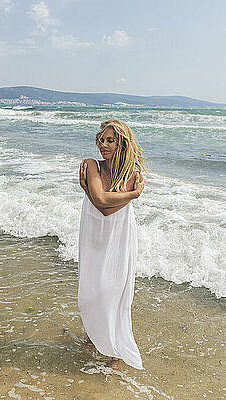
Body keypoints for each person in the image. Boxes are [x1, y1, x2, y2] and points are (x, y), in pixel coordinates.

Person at [77, 119, 147, 370]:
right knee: (89, 292)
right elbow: (101, 202)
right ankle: (94, 336)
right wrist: (132, 195)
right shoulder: (90, 165)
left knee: (113, 291)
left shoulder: (132, 173)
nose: (103, 145)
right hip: (93, 232)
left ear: (122, 144)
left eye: (110, 140)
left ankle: (116, 351)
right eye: (102, 140)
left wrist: (112, 198)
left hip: (119, 235)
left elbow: (106, 204)